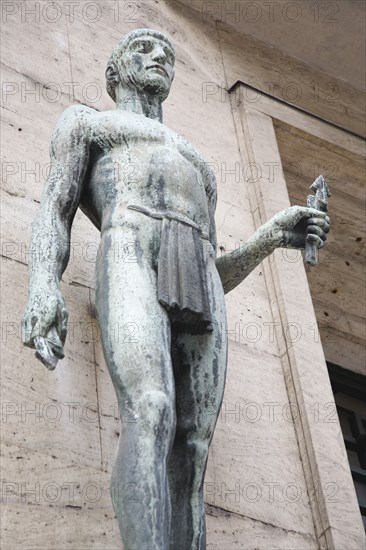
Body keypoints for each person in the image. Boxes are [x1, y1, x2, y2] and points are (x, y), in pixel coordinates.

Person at [22, 29, 330, 550]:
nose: (160, 55)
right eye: (142, 47)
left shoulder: (202, 166)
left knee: (193, 445)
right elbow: (56, 207)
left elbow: (213, 270)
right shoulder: (90, 123)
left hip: (198, 272)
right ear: (114, 72)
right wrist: (42, 285)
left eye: (167, 52)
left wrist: (271, 236)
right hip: (130, 247)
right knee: (151, 406)